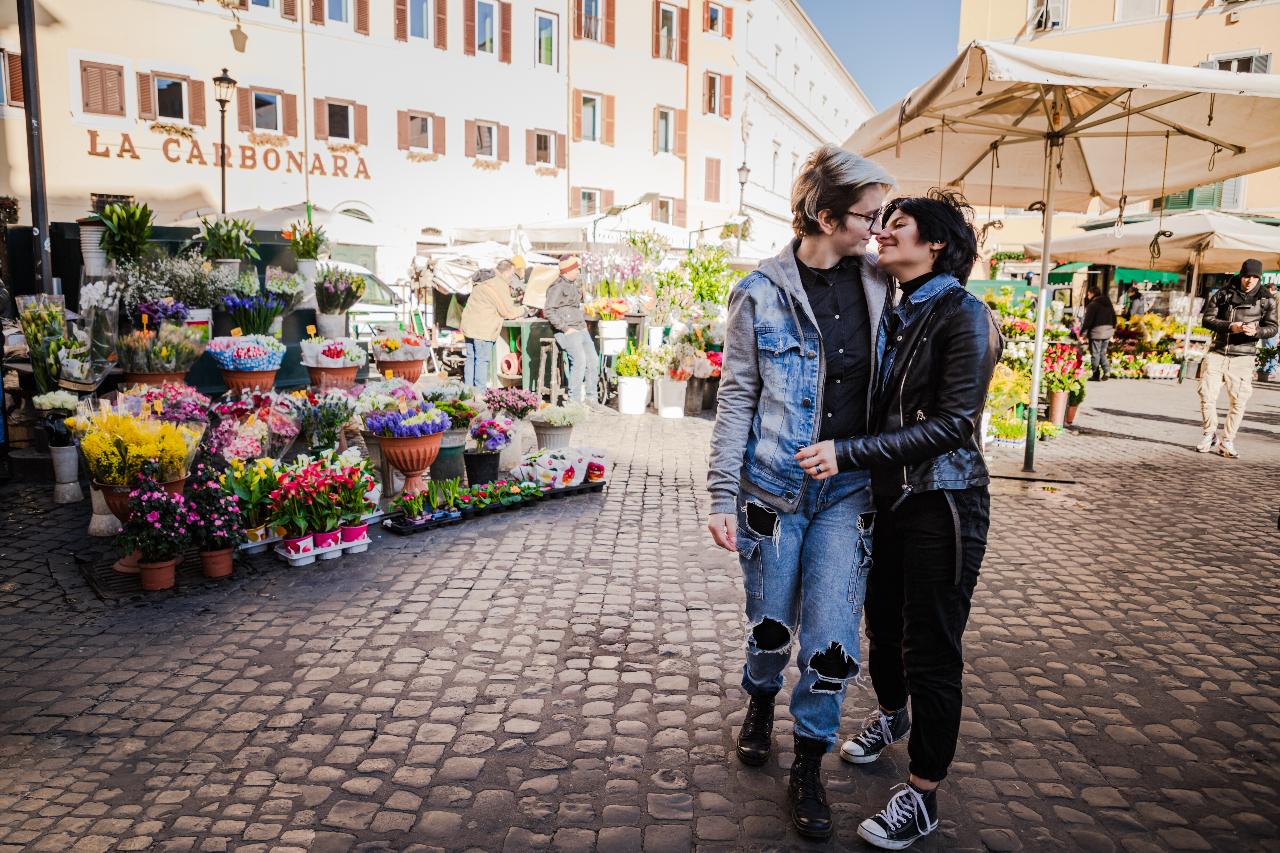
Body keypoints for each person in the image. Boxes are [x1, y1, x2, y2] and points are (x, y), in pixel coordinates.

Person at [795, 190, 1001, 850]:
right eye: (881, 225)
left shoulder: (963, 315)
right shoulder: (898, 307)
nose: (882, 233)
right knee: (881, 626)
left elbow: (949, 426)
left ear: (935, 242)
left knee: (931, 649)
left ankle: (923, 794)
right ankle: (892, 713)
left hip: (945, 502)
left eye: (897, 226)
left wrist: (846, 452)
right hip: (892, 498)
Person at [706, 144, 895, 840]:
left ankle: (808, 761)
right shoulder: (759, 291)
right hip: (773, 490)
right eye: (868, 215)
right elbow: (736, 401)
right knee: (771, 625)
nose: (879, 227)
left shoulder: (880, 281)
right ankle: (760, 700)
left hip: (849, 493)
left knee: (833, 635)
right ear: (825, 215)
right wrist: (721, 496)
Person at [1197, 258, 1277, 458]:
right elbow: (1207, 319)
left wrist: (1256, 331)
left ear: (1259, 277)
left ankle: (1227, 440)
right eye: (1247, 276)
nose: (1250, 280)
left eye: (1254, 276)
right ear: (1241, 275)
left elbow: (1273, 328)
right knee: (1206, 395)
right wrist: (1229, 326)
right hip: (1218, 351)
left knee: (1239, 402)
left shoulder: (1267, 299)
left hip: (1244, 356)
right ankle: (1209, 433)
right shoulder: (1223, 293)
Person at [459, 260, 524, 389]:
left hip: (469, 326)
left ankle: (467, 393)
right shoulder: (498, 283)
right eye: (511, 275)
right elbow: (508, 312)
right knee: (482, 361)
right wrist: (525, 309)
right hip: (482, 329)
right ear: (506, 272)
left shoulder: (483, 279)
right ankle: (479, 394)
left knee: (471, 359)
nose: (511, 279)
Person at [544, 257, 600, 404]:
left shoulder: (572, 284)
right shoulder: (556, 287)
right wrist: (565, 328)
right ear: (568, 271)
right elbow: (549, 310)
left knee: (593, 360)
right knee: (580, 361)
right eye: (575, 269)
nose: (578, 271)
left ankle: (591, 398)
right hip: (567, 330)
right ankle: (573, 401)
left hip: (580, 327)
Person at [1080, 284, 1117, 381]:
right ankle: (1107, 370)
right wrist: (1113, 330)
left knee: (1095, 353)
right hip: (1108, 332)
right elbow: (1114, 317)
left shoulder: (1093, 305)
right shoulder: (1108, 303)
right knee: (1102, 353)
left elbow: (1088, 321)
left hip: (1096, 333)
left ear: (1092, 293)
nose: (1088, 296)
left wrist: (1082, 334)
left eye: (1088, 294)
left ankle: (1096, 374)